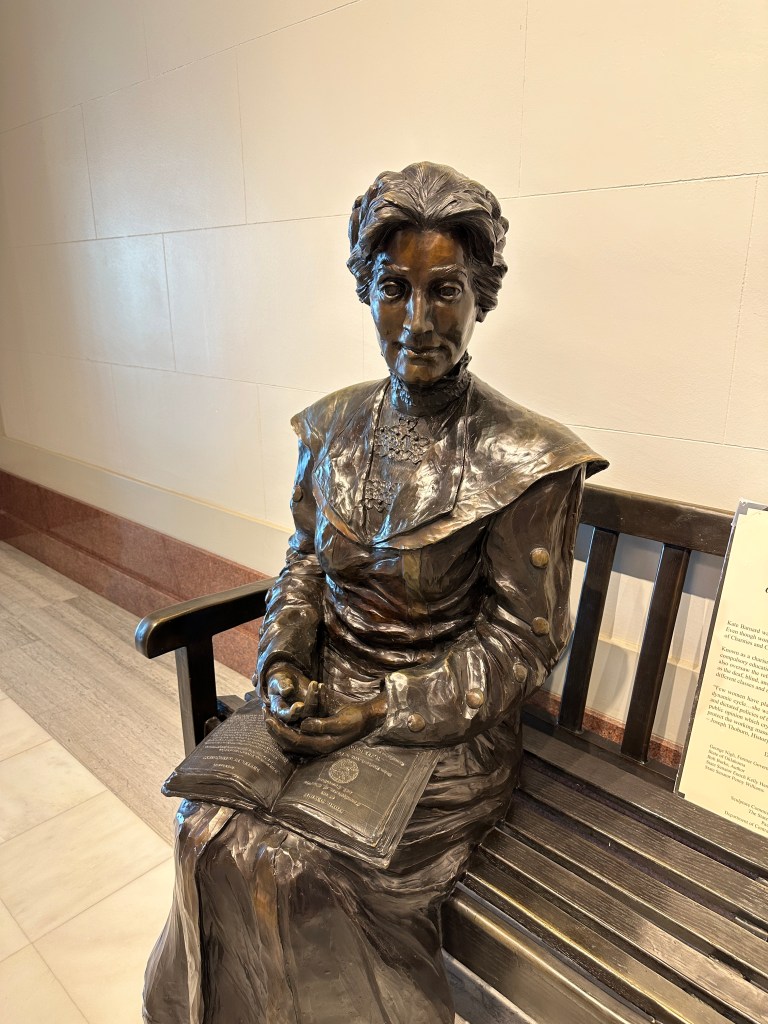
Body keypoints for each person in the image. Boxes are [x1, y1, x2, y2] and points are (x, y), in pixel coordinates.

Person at [143, 162, 607, 1024]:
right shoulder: (330, 427)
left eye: (446, 290)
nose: (420, 321)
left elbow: (523, 639)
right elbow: (306, 564)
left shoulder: (526, 457)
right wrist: (282, 658)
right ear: (366, 292)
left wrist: (388, 705)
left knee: (295, 871)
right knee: (205, 833)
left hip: (442, 730)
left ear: (483, 298)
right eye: (395, 289)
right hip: (323, 691)